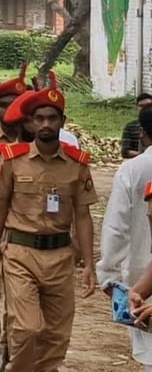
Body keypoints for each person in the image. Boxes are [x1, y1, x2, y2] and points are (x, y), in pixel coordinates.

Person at [0, 85, 96, 371]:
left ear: (62, 122)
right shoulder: (11, 160)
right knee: (27, 329)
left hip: (60, 257)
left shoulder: (76, 164)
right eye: (39, 118)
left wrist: (90, 264)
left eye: (52, 118)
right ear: (30, 123)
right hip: (21, 253)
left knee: (56, 336)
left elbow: (83, 215)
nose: (45, 124)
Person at [99, 106, 152, 370]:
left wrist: (109, 275)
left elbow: (115, 228)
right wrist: (139, 290)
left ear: (143, 135)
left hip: (137, 271)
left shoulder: (133, 170)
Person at [121, 93, 152, 158]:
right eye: (141, 106)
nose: (144, 108)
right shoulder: (130, 126)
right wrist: (144, 156)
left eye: (148, 105)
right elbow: (125, 152)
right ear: (136, 108)